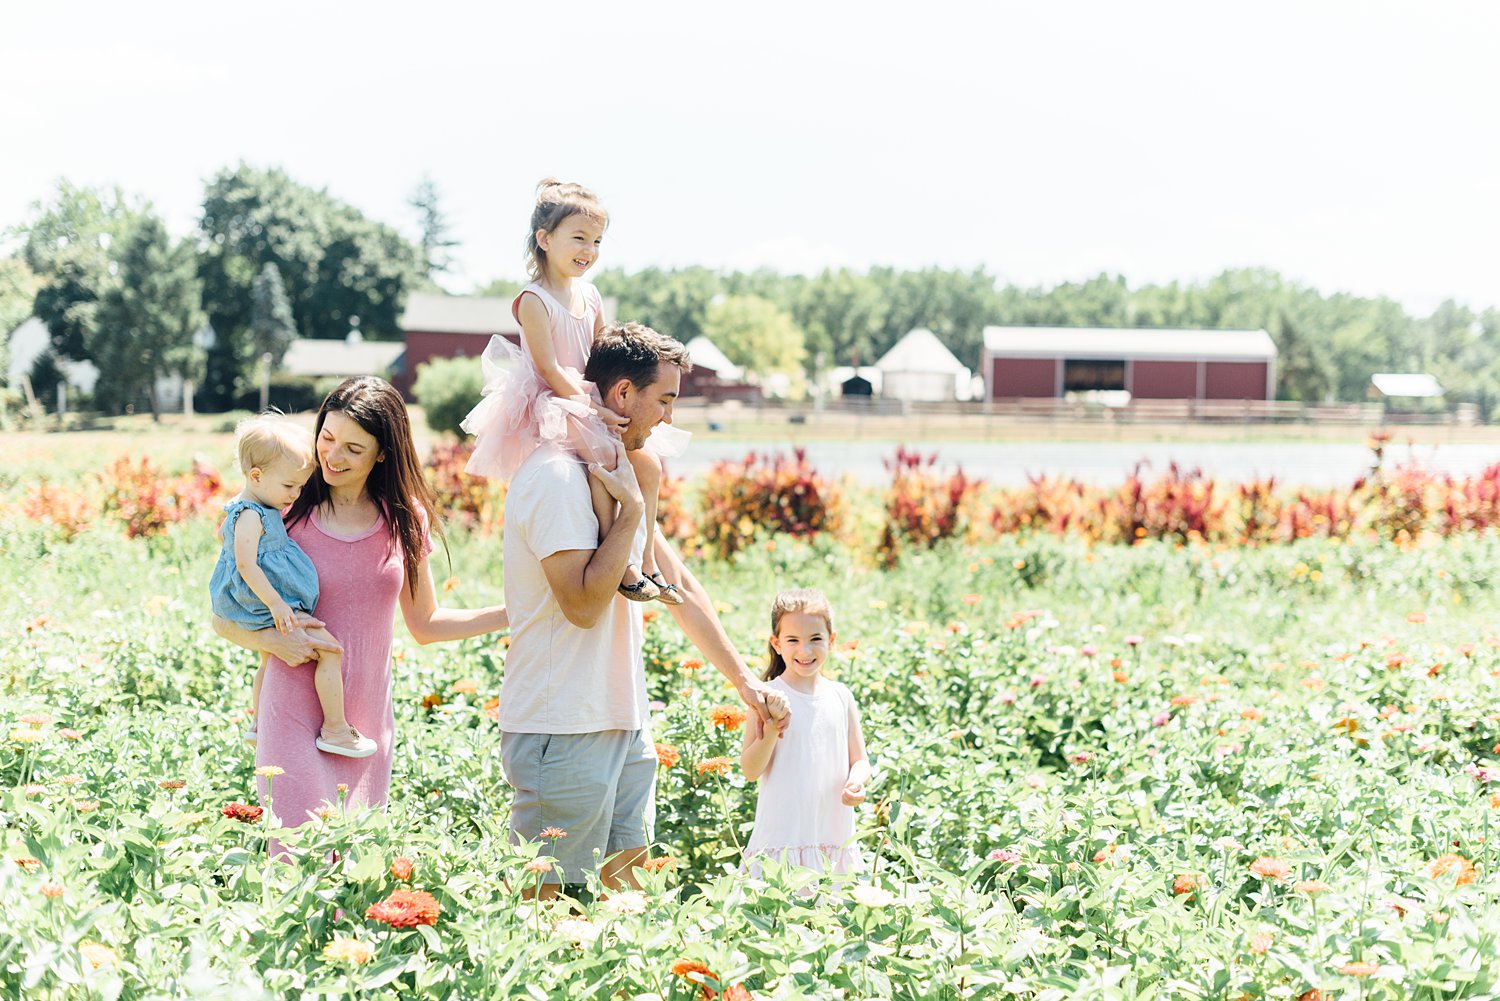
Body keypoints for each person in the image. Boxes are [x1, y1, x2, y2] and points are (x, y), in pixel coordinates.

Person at [498, 322, 787, 896]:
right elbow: (582, 606)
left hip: (623, 717)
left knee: (626, 893)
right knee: (547, 901)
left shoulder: (623, 471)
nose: (669, 418)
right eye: (666, 400)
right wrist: (628, 515)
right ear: (623, 394)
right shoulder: (556, 478)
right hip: (565, 723)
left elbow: (678, 584)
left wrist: (745, 681)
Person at [211, 377, 507, 846]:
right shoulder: (279, 513)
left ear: (382, 454)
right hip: (290, 709)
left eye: (353, 447)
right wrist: (271, 640)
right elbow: (222, 616)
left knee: (355, 872)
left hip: (363, 722)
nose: (332, 456)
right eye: (326, 438)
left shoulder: (404, 519)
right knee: (297, 860)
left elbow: (426, 625)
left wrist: (519, 613)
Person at [461, 178, 688, 604]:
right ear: (545, 239)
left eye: (598, 241)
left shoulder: (591, 294)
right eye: (579, 238)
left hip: (590, 393)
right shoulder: (535, 299)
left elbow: (601, 352)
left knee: (651, 464)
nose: (590, 250)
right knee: (603, 457)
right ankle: (620, 561)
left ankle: (650, 560)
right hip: (556, 399)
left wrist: (614, 394)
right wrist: (591, 407)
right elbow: (548, 367)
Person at [210, 414, 374, 758]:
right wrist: (277, 605)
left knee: (268, 661)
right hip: (260, 603)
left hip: (265, 602)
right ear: (256, 476)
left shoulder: (263, 507)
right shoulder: (250, 515)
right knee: (330, 650)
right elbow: (245, 565)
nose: (295, 495)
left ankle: (259, 725)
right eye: (289, 486)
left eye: (300, 487)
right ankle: (336, 729)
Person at [741, 589, 870, 875]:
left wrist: (856, 781)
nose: (805, 650)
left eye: (815, 639)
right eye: (793, 640)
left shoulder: (841, 696)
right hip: (784, 836)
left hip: (832, 835)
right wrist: (773, 728)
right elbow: (750, 770)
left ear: (831, 640)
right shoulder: (767, 696)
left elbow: (860, 760)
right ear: (776, 643)